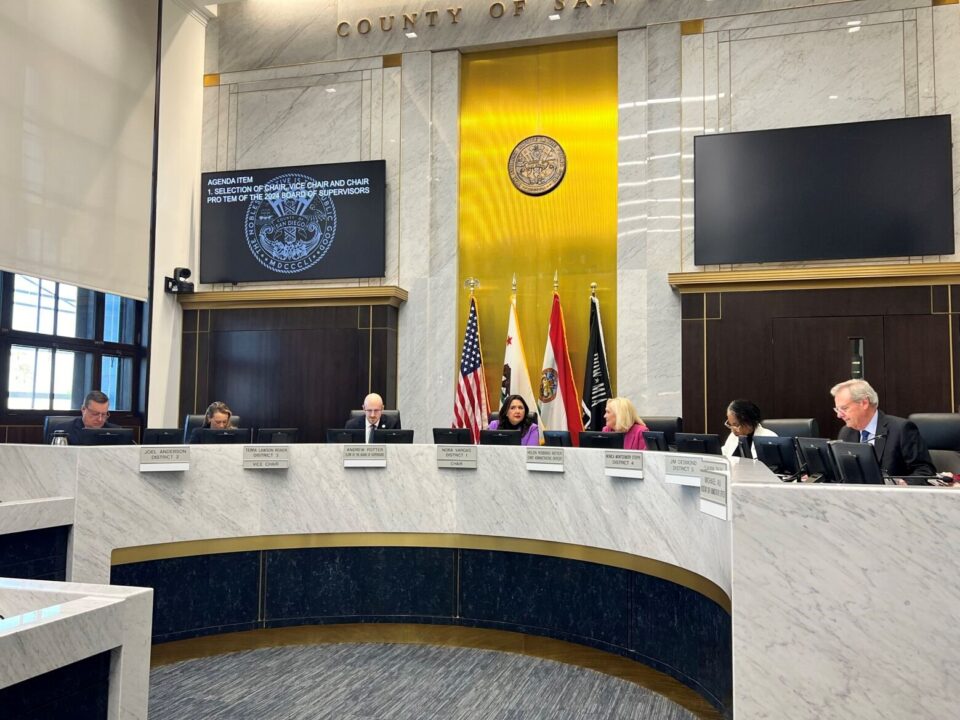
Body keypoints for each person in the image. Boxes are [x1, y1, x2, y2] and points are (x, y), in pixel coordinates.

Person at [831, 378, 935, 478]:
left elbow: (925, 470)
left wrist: (903, 484)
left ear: (864, 403)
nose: (839, 415)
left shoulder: (901, 429)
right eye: (837, 410)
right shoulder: (846, 432)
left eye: (844, 408)